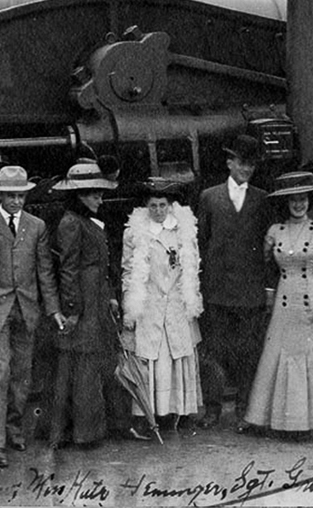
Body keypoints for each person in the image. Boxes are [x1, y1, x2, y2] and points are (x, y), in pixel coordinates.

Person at [0, 165, 66, 468]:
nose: (16, 201)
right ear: (0, 195)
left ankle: (13, 429)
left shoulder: (36, 226)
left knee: (22, 375)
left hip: (28, 310)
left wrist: (52, 308)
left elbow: (44, 271)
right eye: (10, 196)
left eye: (21, 196)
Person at [243, 171, 313, 434]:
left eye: (303, 199)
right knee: (278, 355)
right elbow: (265, 266)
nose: (298, 204)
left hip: (311, 303)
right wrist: (267, 292)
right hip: (284, 302)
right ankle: (277, 421)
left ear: (310, 202)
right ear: (285, 204)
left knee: (307, 357)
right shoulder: (275, 231)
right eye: (293, 200)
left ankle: (308, 423)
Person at [196, 134, 271, 431]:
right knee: (214, 353)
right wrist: (200, 289)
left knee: (247, 354)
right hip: (217, 292)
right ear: (229, 163)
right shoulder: (209, 197)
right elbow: (201, 244)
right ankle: (213, 410)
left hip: (250, 293)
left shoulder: (262, 199)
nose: (246, 169)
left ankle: (243, 410)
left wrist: (266, 289)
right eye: (241, 162)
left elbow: (267, 248)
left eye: (251, 164)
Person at [120, 178, 203, 436]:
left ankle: (180, 412)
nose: (158, 210)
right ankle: (149, 414)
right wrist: (130, 307)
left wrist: (191, 298)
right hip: (150, 304)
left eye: (163, 205)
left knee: (179, 355)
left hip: (176, 304)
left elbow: (193, 267)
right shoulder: (134, 233)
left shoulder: (183, 230)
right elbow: (128, 270)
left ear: (170, 205)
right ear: (146, 206)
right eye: (153, 205)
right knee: (152, 358)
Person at [47, 161, 119, 448]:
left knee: (90, 363)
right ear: (79, 196)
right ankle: (82, 433)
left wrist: (111, 295)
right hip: (82, 303)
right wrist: (73, 310)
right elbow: (67, 269)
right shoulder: (70, 223)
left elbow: (103, 265)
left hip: (96, 299)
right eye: (94, 194)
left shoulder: (88, 222)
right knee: (82, 365)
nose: (100, 199)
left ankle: (88, 430)